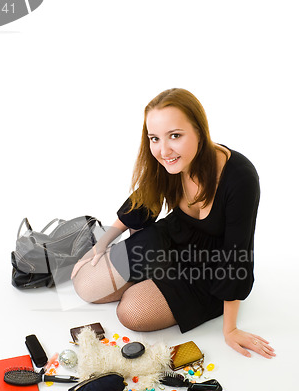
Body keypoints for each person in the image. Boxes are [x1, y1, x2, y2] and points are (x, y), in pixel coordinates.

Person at [71, 88, 275, 359]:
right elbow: (143, 200)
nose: (163, 150)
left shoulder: (241, 178)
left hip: (209, 268)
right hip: (170, 239)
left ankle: (150, 287)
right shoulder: (168, 160)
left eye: (175, 136)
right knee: (85, 284)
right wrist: (104, 242)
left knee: (130, 312)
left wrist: (230, 329)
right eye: (154, 138)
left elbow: (237, 254)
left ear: (200, 131)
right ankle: (148, 280)